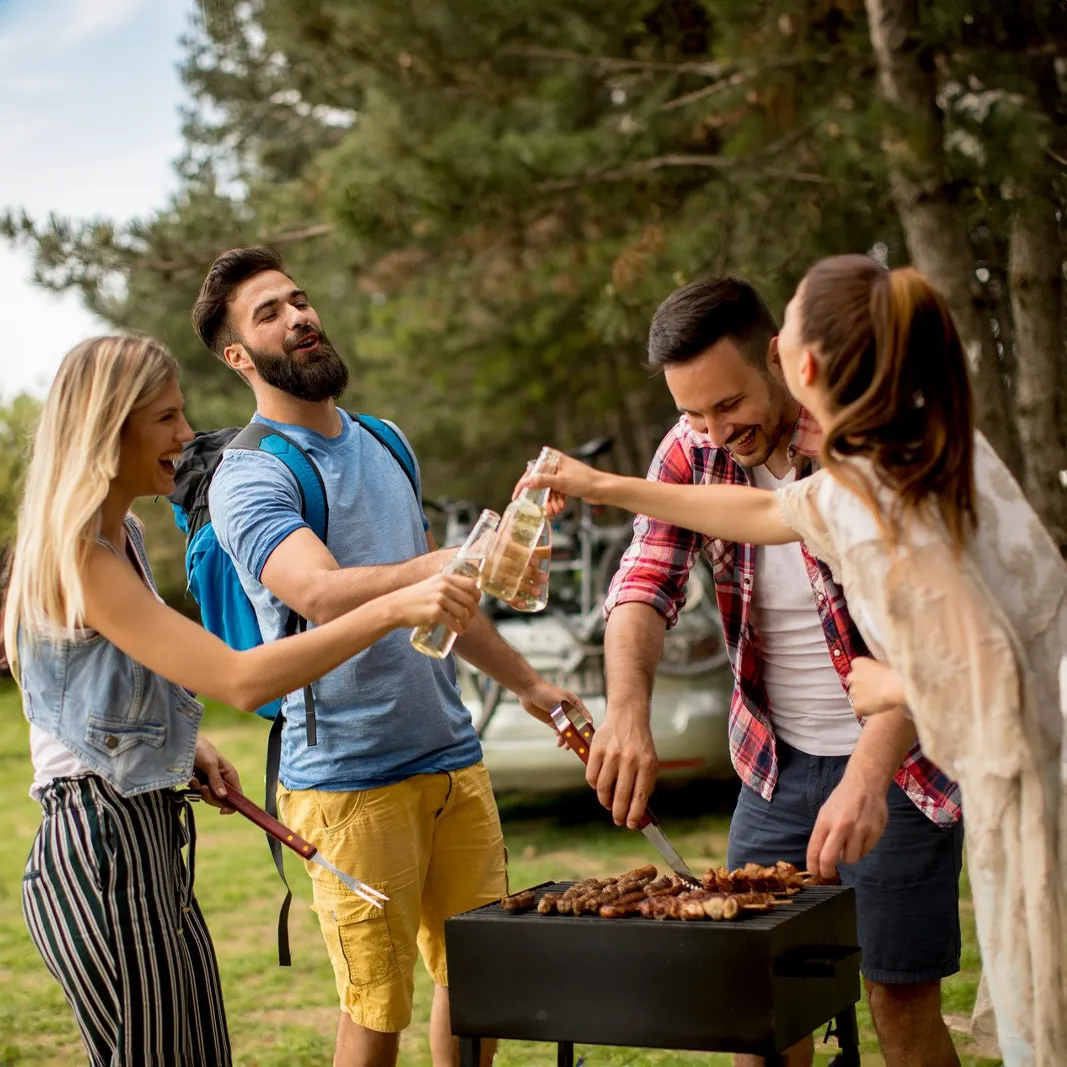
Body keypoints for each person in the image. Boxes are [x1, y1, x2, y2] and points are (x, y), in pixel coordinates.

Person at [523, 257, 1067, 1067]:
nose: (711, 430)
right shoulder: (752, 457)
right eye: (692, 413)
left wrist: (887, 706)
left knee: (922, 1000)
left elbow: (977, 657)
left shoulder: (874, 462)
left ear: (786, 358)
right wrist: (601, 489)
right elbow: (720, 532)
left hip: (932, 764)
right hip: (777, 765)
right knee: (759, 1009)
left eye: (728, 402)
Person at [3, 335, 482, 1067]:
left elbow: (89, 691)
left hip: (145, 831)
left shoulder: (122, 532)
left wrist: (177, 746)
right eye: (166, 418)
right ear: (110, 428)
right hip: (99, 846)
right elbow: (239, 678)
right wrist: (394, 603)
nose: (187, 436)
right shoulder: (76, 558)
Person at [192, 246, 580, 1067]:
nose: (298, 316)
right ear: (237, 356)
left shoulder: (385, 439)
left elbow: (445, 595)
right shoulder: (248, 475)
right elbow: (323, 591)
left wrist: (532, 685)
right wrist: (441, 564)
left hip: (451, 756)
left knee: (480, 987)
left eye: (298, 300)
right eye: (268, 313)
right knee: (375, 1012)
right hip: (347, 781)